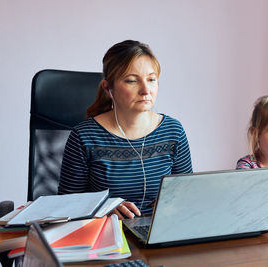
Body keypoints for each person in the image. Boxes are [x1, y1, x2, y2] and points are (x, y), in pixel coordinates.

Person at [58, 40, 192, 218]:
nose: (146, 90)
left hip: (160, 233)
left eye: (152, 79)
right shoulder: (84, 136)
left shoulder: (173, 131)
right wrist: (104, 209)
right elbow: (66, 205)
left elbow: (187, 197)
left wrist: (174, 203)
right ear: (108, 88)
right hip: (107, 235)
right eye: (131, 81)